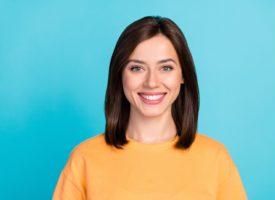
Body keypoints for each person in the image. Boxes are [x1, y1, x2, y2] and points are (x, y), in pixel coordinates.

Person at [52, 16, 247, 200]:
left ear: (183, 75)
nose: (152, 82)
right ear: (120, 75)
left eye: (166, 68)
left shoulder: (216, 159)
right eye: (137, 68)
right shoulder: (84, 159)